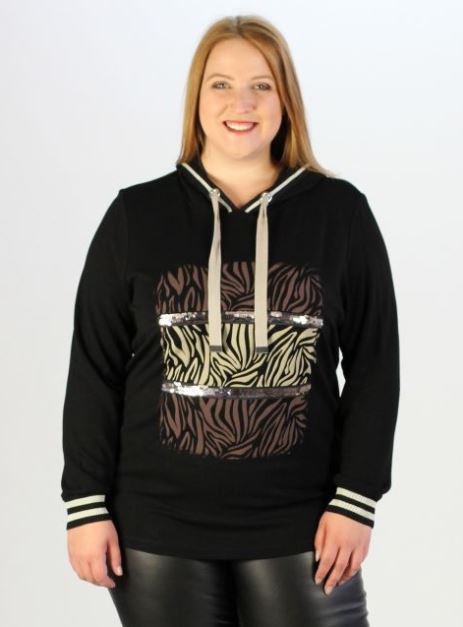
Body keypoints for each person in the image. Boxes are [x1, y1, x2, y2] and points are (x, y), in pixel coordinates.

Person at [60, 14, 400, 627]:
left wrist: (356, 500)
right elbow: (94, 368)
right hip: (157, 525)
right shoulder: (137, 215)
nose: (241, 103)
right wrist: (85, 505)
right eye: (221, 84)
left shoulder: (341, 214)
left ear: (285, 100)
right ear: (197, 99)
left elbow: (376, 367)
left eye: (261, 85)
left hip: (302, 520)